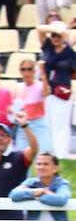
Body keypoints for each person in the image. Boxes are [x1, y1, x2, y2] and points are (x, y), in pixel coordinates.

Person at [37, 21, 75, 159]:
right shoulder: (47, 47)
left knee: (61, 127)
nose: (55, 38)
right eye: (53, 35)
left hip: (62, 93)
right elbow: (39, 28)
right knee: (48, 125)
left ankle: (60, 156)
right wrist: (57, 28)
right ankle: (49, 155)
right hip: (47, 92)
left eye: (58, 35)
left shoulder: (69, 53)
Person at [13, 59, 53, 153]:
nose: (26, 72)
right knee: (21, 158)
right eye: (23, 69)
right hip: (23, 126)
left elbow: (46, 93)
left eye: (29, 69)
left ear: (34, 71)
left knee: (43, 155)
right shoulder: (18, 87)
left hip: (38, 125)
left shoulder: (40, 85)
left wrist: (42, 72)